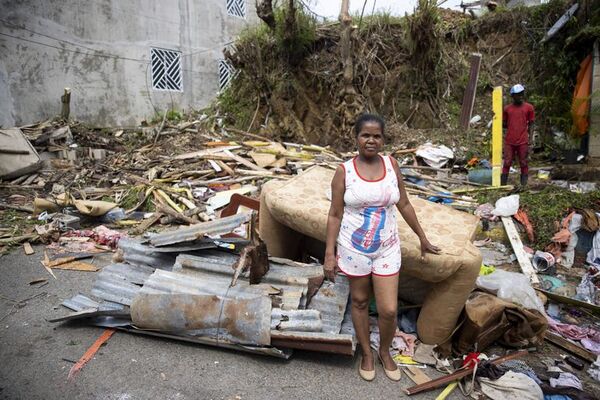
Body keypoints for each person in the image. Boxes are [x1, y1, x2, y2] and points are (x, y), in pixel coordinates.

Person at [323, 113, 440, 382]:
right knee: (361, 301)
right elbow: (334, 214)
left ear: (383, 139)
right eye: (366, 135)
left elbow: (405, 204)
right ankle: (366, 353)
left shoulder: (392, 165)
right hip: (353, 249)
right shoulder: (344, 171)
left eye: (377, 136)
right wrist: (330, 255)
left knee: (388, 309)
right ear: (356, 138)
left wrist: (422, 237)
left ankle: (385, 352)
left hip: (387, 247)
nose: (371, 140)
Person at [502, 84, 535, 186]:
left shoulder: (529, 108)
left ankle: (523, 185)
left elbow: (531, 124)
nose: (520, 96)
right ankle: (503, 185)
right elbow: (504, 124)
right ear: (513, 96)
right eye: (518, 94)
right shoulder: (507, 109)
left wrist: (531, 137)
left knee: (523, 162)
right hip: (509, 141)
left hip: (523, 140)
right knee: (507, 162)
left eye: (521, 94)